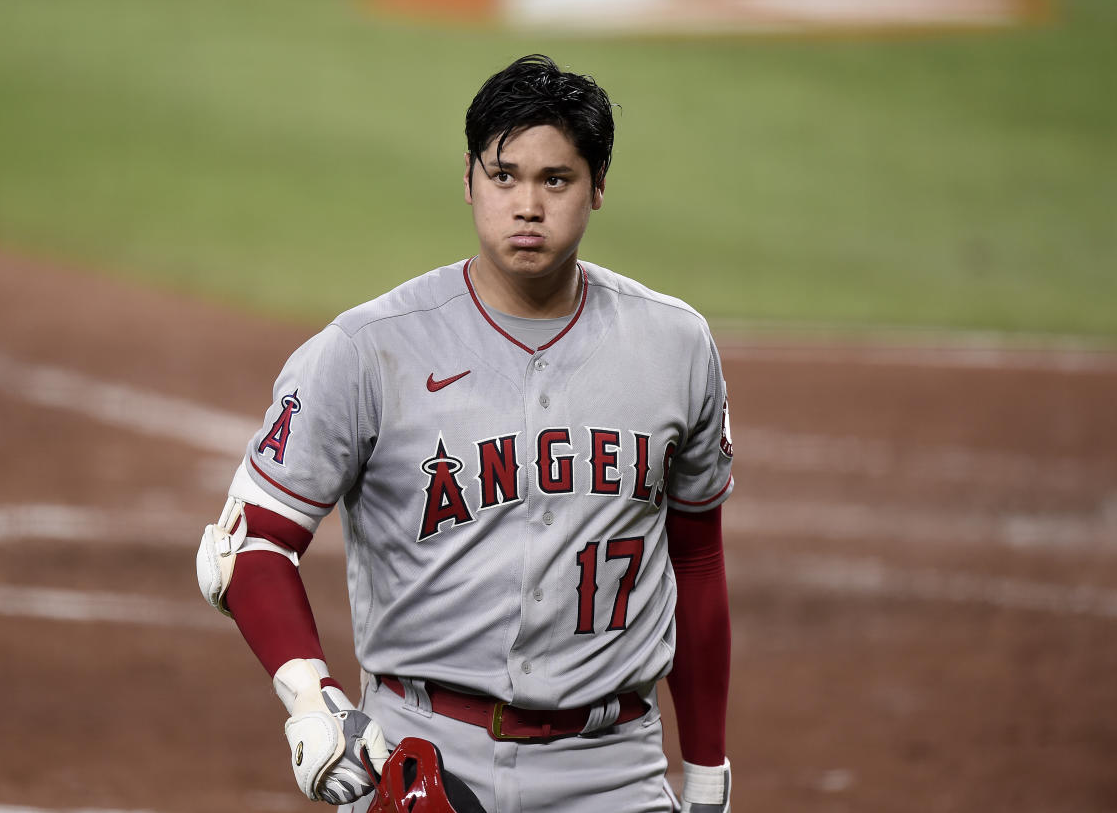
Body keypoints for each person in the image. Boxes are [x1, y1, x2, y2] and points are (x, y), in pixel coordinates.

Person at [197, 54, 735, 813]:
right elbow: (248, 543)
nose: (527, 205)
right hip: (422, 759)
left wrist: (708, 766)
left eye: (557, 179)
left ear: (599, 187)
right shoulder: (367, 351)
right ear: (469, 180)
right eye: (504, 175)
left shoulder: (675, 346)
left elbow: (698, 555)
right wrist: (312, 700)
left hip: (614, 768)